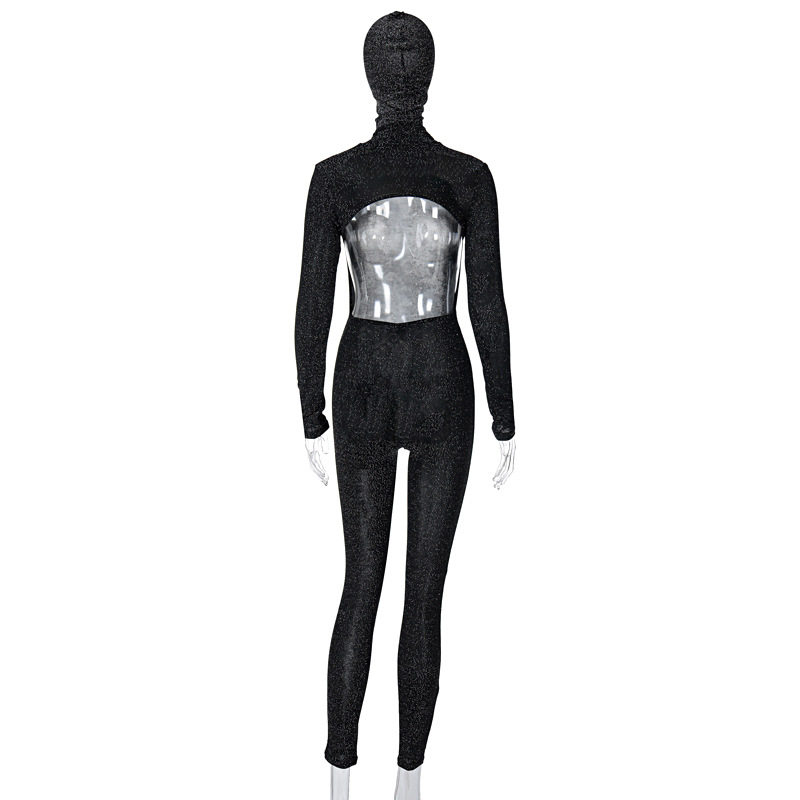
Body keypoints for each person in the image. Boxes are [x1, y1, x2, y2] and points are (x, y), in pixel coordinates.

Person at [294, 11, 517, 800]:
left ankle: (337, 781)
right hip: (442, 381)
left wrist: (311, 413)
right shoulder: (468, 177)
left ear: (370, 78)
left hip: (360, 378)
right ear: (429, 74)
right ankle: (408, 784)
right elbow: (486, 306)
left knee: (362, 581)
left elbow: (311, 306)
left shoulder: (335, 178)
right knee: (424, 592)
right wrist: (505, 417)